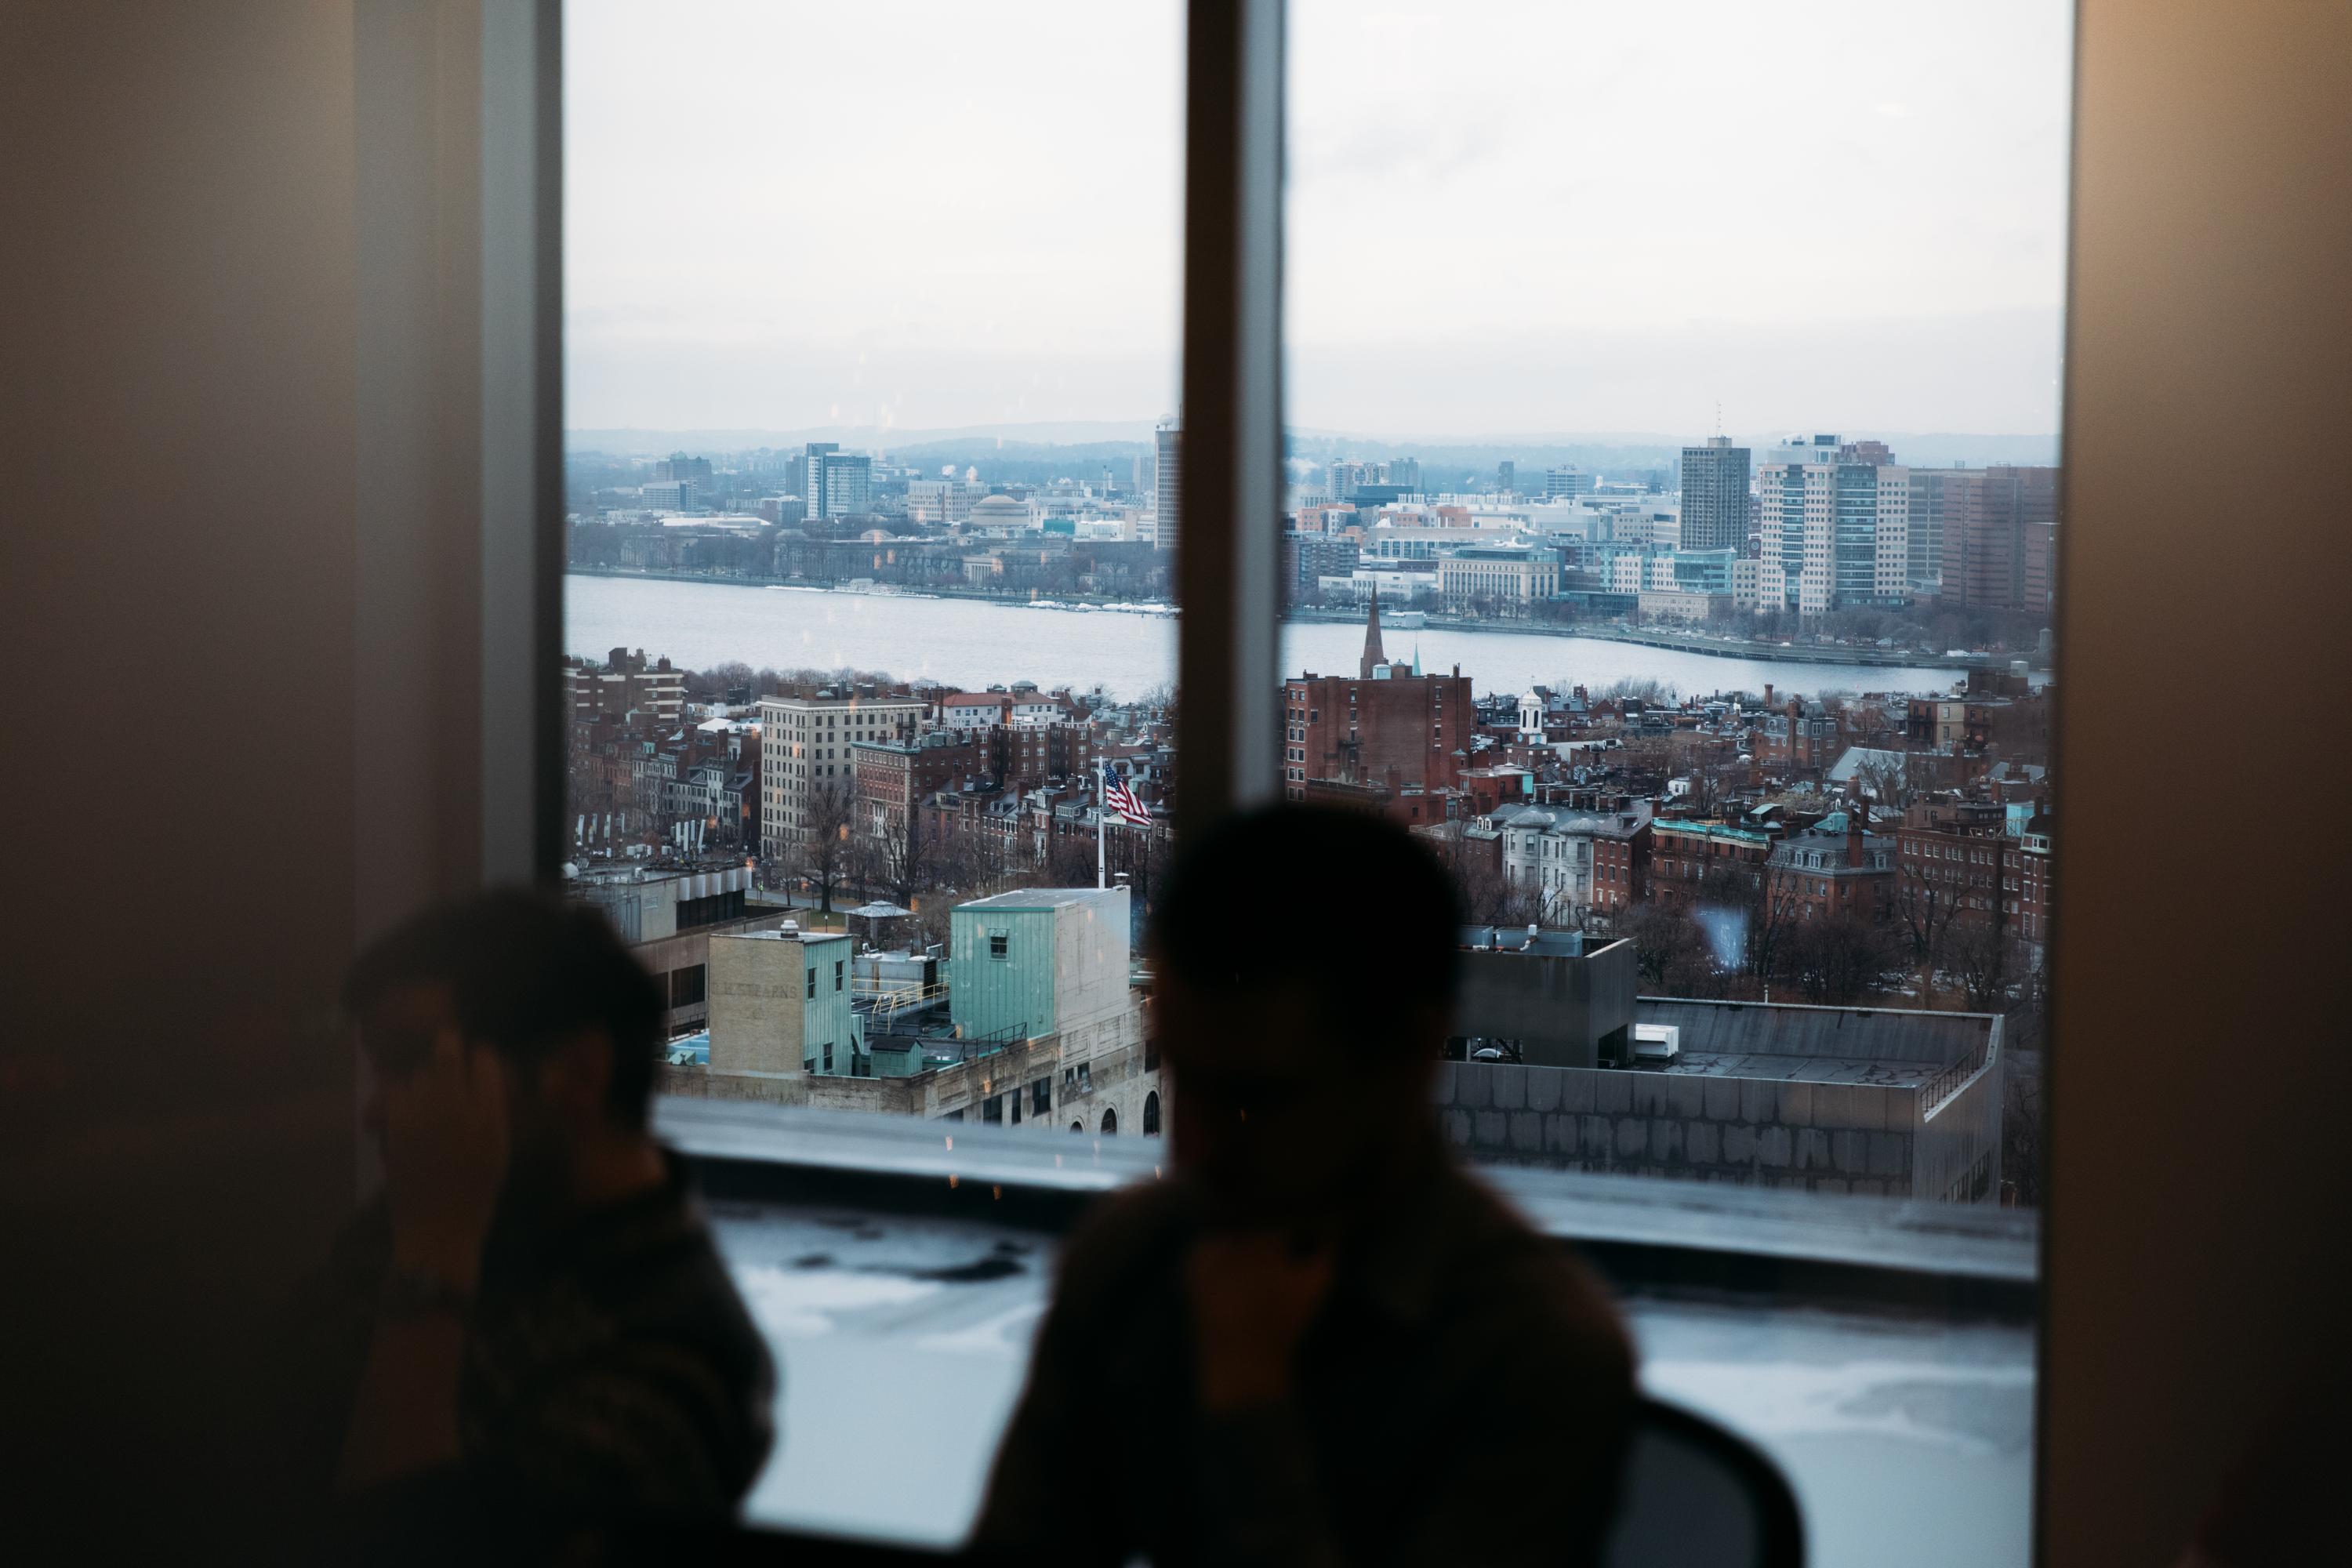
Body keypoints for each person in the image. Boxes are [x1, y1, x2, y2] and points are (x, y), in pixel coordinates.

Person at [973, 804, 1635, 1567]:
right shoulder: (1131, 1256)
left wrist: (1248, 1401)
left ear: (1413, 1052)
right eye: (1188, 1078)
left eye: (1254, 1096)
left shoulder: (1536, 1356)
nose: (1196, 1146)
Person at [276, 889, 772, 1560]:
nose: (377, 1113)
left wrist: (433, 1260)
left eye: (414, 1063)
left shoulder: (670, 1381)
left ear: (577, 1075)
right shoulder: (470, 1201)